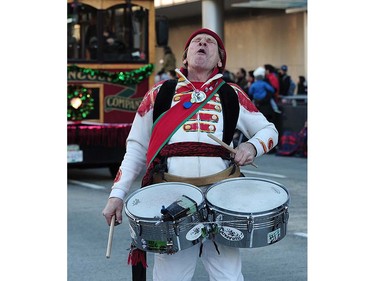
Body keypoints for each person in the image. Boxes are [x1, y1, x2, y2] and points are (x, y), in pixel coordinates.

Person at [102, 28, 278, 281]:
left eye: (210, 42)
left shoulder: (232, 94)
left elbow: (269, 131)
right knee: (170, 276)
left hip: (222, 198)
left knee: (228, 275)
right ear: (185, 56)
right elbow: (136, 148)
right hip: (171, 198)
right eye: (197, 41)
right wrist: (116, 195)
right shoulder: (159, 93)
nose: (202, 44)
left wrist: (251, 147)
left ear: (219, 60)